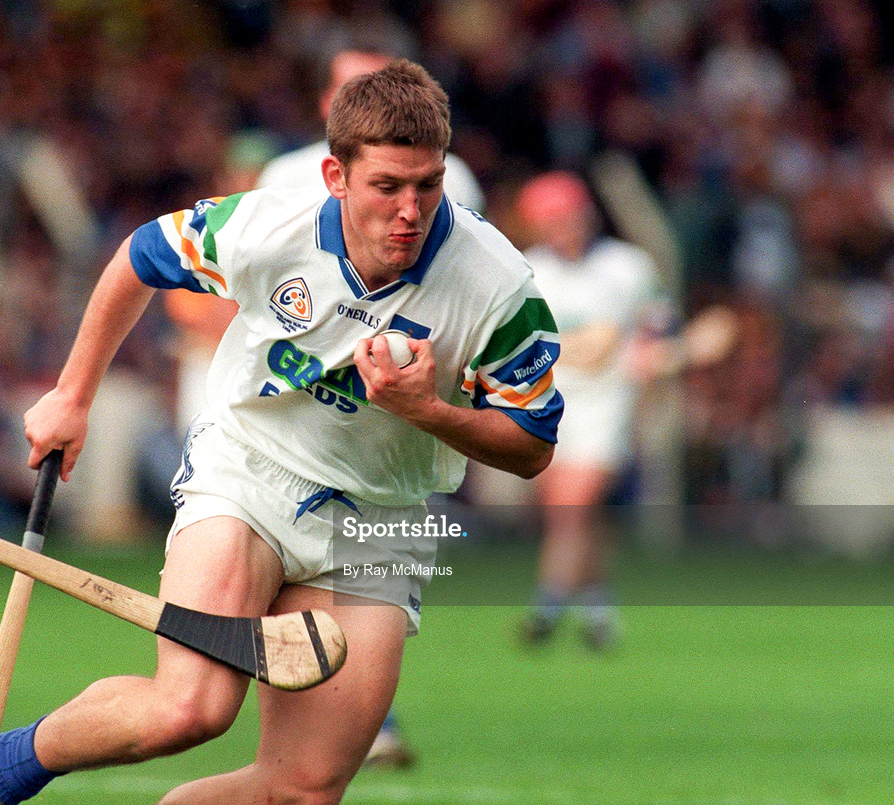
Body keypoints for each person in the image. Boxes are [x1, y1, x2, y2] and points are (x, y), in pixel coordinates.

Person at [0, 60, 561, 805]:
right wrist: (72, 395)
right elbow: (141, 257)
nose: (409, 211)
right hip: (249, 475)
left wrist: (428, 410)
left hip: (377, 525)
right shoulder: (268, 226)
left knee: (302, 789)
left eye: (427, 184)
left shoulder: (497, 286)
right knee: (187, 708)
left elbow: (532, 445)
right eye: (386, 186)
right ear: (335, 175)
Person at [257, 44, 487, 770]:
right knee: (197, 700)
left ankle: (354, 715)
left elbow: (460, 281)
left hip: (389, 418)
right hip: (287, 409)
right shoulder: (285, 176)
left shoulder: (456, 185)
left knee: (358, 571)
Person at [516, 171, 734, 649]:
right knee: (571, 514)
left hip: (606, 405)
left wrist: (662, 353)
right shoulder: (528, 271)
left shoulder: (627, 266)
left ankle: (545, 610)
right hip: (547, 404)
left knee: (571, 505)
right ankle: (600, 617)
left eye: (571, 215)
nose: (566, 227)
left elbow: (660, 333)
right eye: (553, 220)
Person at [258, 47, 485, 213]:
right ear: (326, 101)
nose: (375, 103)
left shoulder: (452, 175)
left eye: (387, 90)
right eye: (357, 92)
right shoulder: (283, 178)